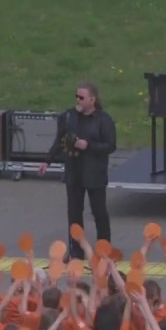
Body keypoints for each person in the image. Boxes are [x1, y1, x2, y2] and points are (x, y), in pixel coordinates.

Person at [49, 82, 117, 259]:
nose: (77, 100)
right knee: (74, 214)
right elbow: (60, 140)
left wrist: (89, 146)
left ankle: (104, 249)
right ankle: (76, 251)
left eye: (81, 97)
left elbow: (110, 146)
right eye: (76, 96)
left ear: (92, 100)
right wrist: (47, 161)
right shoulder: (69, 117)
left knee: (99, 213)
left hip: (94, 173)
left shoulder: (103, 120)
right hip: (74, 172)